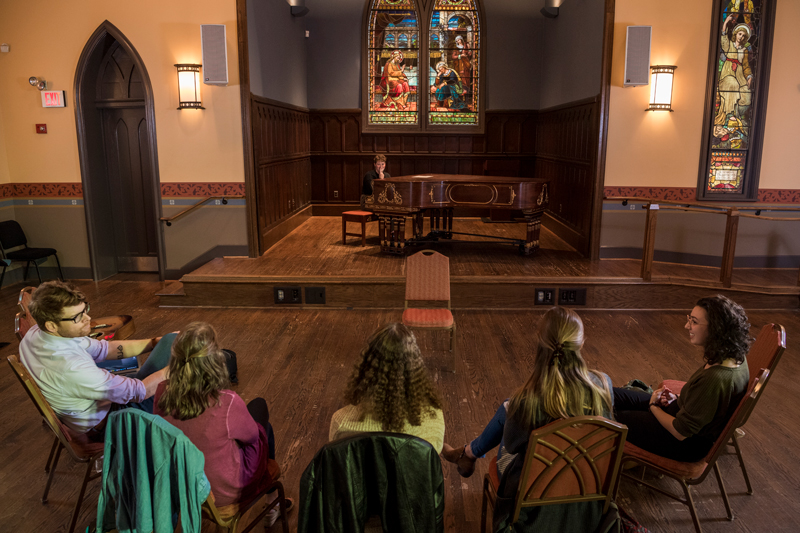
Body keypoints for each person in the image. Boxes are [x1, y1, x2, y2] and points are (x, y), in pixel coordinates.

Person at [442, 307, 613, 531]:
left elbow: (511, 445)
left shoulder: (527, 400)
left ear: (540, 345)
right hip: (588, 480)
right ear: (581, 344)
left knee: (508, 409)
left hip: (534, 486)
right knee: (510, 407)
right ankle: (468, 453)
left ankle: (469, 453)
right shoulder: (603, 384)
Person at [153, 322, 291, 524]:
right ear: (215, 360)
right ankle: (273, 501)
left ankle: (272, 501)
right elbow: (252, 436)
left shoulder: (161, 391)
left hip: (181, 484)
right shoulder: (227, 401)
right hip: (222, 494)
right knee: (262, 422)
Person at [20, 280, 174, 440]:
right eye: (77, 317)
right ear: (52, 325)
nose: (88, 318)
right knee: (186, 381)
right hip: (109, 424)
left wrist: (154, 342)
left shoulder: (37, 332)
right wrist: (176, 368)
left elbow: (104, 349)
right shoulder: (71, 367)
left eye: (85, 310)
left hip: (99, 403)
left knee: (170, 340)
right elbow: (140, 392)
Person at [614, 295, 751, 462]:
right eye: (689, 319)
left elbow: (680, 432)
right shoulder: (735, 356)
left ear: (716, 328)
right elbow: (706, 405)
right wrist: (676, 398)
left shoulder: (715, 378)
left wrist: (653, 406)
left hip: (684, 443)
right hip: (680, 413)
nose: (687, 326)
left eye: (694, 321)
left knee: (610, 415)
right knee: (613, 395)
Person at [329, 323, 445, 452]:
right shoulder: (434, 419)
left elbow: (336, 462)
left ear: (366, 364)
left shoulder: (341, 423)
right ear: (415, 366)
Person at [718, 14, 755, 124]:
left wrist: (749, 77)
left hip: (740, 76)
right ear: (735, 34)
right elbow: (723, 36)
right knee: (733, 85)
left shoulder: (744, 50)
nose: (741, 37)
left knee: (746, 93)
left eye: (744, 36)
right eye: (740, 34)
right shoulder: (729, 45)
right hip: (727, 74)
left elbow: (746, 66)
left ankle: (738, 117)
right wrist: (725, 23)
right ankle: (729, 115)